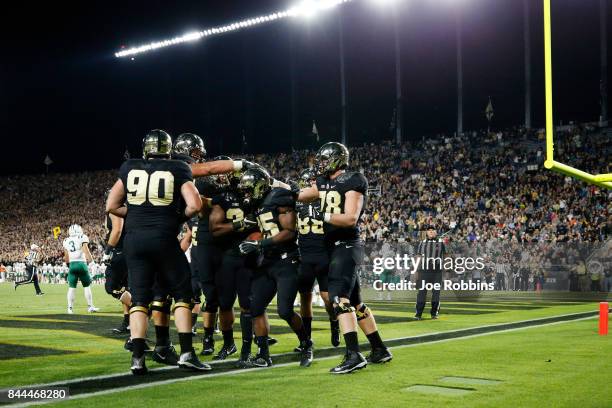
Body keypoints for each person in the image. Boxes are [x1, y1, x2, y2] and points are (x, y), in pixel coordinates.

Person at [106, 129, 208, 375]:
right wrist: (172, 217)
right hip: (163, 237)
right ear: (169, 149)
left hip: (134, 239)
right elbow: (195, 205)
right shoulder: (178, 168)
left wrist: (138, 216)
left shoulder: (129, 167)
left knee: (140, 301)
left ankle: (138, 359)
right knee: (183, 295)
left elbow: (112, 205)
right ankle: (186, 353)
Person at [306, 142, 392, 374]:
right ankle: (379, 348)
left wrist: (321, 214)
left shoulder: (353, 179)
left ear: (336, 159)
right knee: (356, 303)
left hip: (346, 245)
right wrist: (274, 186)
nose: (320, 164)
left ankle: (353, 355)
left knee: (338, 298)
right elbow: (301, 194)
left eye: (324, 160)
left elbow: (350, 218)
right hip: (333, 247)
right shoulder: (324, 182)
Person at [237, 167, 313, 368]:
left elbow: (289, 231)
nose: (246, 193)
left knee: (285, 311)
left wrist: (258, 244)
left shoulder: (279, 197)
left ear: (260, 186)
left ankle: (306, 344)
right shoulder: (257, 203)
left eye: (248, 189)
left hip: (287, 261)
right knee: (255, 308)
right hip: (268, 262)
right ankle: (263, 355)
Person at [295, 167, 339, 351]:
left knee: (327, 297)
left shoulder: (326, 201)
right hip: (304, 255)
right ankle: (307, 339)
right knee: (305, 298)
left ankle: (334, 320)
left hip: (323, 255)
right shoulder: (297, 204)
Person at [102, 190, 130, 333]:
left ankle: (139, 308)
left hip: (120, 252)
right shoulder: (128, 207)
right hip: (129, 251)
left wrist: (108, 250)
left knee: (111, 286)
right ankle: (128, 323)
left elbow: (117, 230)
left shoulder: (116, 210)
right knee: (125, 288)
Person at [63, 224, 98, 313]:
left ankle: (70, 308)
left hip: (72, 264)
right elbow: (86, 251)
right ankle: (90, 306)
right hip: (81, 264)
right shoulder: (82, 237)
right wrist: (92, 262)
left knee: (71, 287)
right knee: (86, 286)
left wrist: (69, 266)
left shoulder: (66, 240)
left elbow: (66, 256)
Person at [415, 225, 445, 320]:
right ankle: (418, 313)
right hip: (425, 271)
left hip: (437, 271)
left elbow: (447, 255)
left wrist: (447, 270)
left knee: (436, 292)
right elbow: (419, 257)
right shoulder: (422, 243)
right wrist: (416, 270)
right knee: (422, 292)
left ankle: (434, 313)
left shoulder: (441, 242)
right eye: (429, 230)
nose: (431, 232)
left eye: (433, 230)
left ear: (436, 232)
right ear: (427, 232)